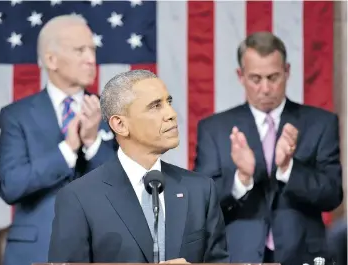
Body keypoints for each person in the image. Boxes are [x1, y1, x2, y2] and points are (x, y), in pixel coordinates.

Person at [48, 69, 230, 263]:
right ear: (120, 125)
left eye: (168, 102)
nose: (171, 114)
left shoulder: (200, 190)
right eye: (155, 106)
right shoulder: (79, 198)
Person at [194, 32, 343, 265]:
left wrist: (289, 167)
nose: (265, 89)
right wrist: (242, 178)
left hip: (302, 256)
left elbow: (332, 195)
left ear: (287, 71)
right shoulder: (214, 129)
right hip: (237, 256)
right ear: (240, 76)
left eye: (273, 77)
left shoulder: (320, 123)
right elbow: (202, 203)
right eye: (256, 78)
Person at [0, 15, 117, 265]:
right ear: (51, 60)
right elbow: (11, 186)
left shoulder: (110, 113)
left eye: (92, 50)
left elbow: (123, 187)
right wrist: (68, 149)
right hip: (35, 252)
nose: (91, 59)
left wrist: (93, 141)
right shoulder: (17, 116)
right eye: (80, 50)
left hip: (100, 252)